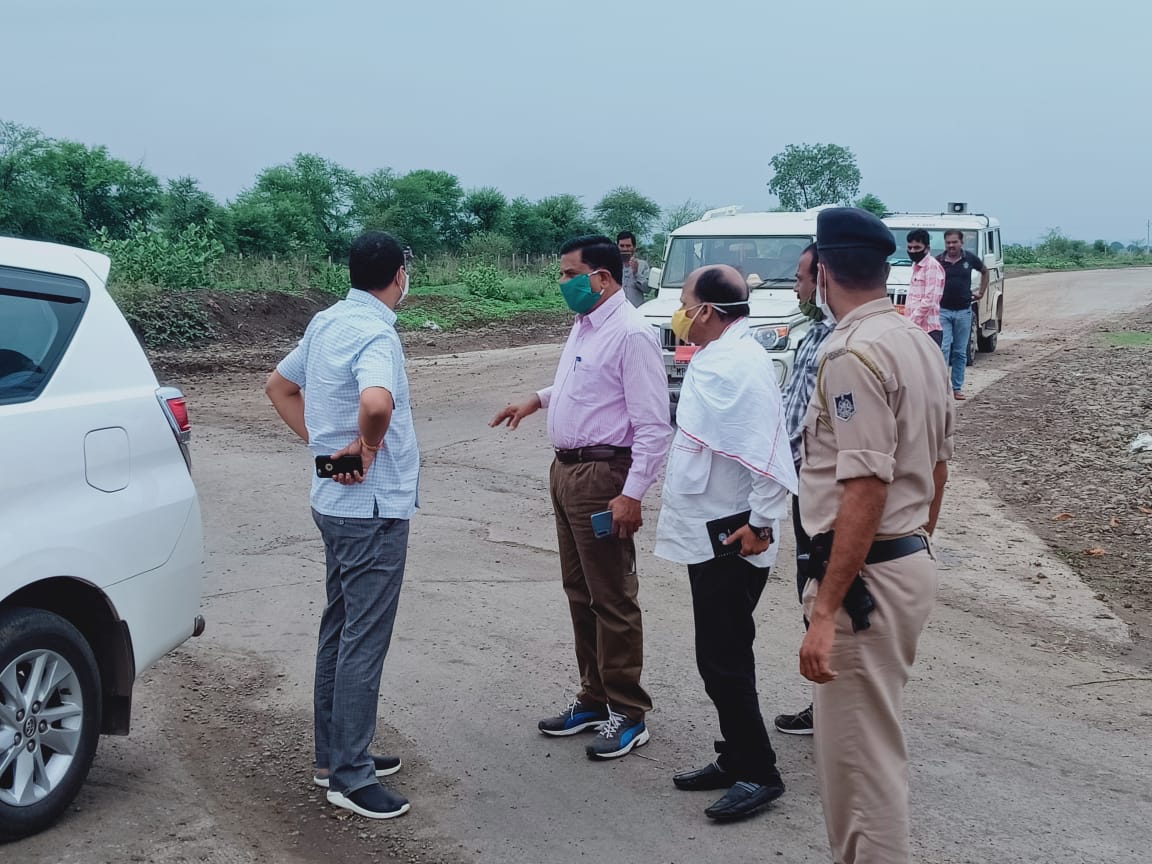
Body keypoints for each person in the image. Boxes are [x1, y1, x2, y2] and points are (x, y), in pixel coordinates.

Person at [798, 207, 953, 864]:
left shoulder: (852, 353)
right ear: (887, 268)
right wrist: (917, 542)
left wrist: (828, 607)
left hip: (863, 581)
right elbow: (939, 466)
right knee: (874, 752)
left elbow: (865, 485)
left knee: (860, 774)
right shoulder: (915, 340)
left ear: (824, 270)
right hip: (902, 562)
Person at [490, 234, 672, 760]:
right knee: (580, 590)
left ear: (603, 278)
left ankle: (628, 711)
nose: (562, 283)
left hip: (603, 477)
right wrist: (537, 398)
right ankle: (594, 696)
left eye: (570, 274)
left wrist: (632, 494)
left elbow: (653, 426)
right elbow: (584, 389)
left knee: (611, 595)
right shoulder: (585, 325)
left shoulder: (632, 334)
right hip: (568, 472)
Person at [265, 231, 419, 821]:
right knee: (363, 639)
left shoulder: (327, 321)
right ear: (399, 274)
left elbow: (278, 387)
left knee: (340, 626)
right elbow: (376, 404)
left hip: (332, 501)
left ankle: (334, 756)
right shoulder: (378, 332)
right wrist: (368, 449)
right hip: (372, 511)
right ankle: (350, 776)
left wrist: (326, 448)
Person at [654, 264, 797, 822]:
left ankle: (759, 771)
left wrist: (760, 524)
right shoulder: (723, 356)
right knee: (719, 650)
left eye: (685, 300)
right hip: (717, 522)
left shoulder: (737, 364)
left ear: (709, 310)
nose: (679, 310)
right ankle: (735, 755)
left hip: (734, 530)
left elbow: (764, 449)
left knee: (724, 655)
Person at [773, 241, 834, 738]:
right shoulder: (813, 332)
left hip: (824, 491)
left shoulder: (842, 341)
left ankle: (837, 708)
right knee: (808, 591)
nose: (797, 286)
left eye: (801, 277)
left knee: (825, 594)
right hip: (801, 484)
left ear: (824, 278)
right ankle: (826, 702)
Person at [937, 229, 988, 399]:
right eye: (948, 242)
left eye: (954, 242)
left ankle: (957, 388)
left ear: (961, 242)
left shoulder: (970, 259)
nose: (951, 245)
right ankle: (942, 388)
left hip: (964, 311)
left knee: (960, 352)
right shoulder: (938, 261)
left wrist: (981, 292)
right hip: (942, 311)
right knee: (943, 349)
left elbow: (985, 271)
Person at [903, 229, 945, 346]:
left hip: (928, 330)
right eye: (910, 248)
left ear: (927, 248)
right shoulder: (916, 266)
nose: (912, 251)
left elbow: (929, 300)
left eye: (917, 248)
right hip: (915, 329)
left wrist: (911, 323)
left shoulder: (932, 266)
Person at [618, 231, 652, 307]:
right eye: (622, 246)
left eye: (628, 246)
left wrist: (636, 273)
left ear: (634, 247)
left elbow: (647, 290)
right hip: (616, 312)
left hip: (636, 311)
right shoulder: (611, 265)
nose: (625, 249)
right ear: (617, 246)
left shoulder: (643, 265)